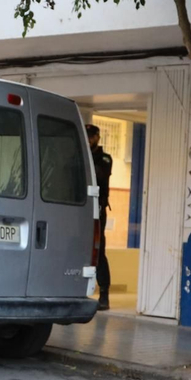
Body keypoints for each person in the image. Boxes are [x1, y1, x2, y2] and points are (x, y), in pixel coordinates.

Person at [87, 124, 113, 310]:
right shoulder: (79, 154)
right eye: (86, 136)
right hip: (81, 207)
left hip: (98, 208)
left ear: (97, 137)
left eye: (91, 136)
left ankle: (104, 293)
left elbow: (100, 176)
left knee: (98, 249)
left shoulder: (104, 158)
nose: (88, 139)